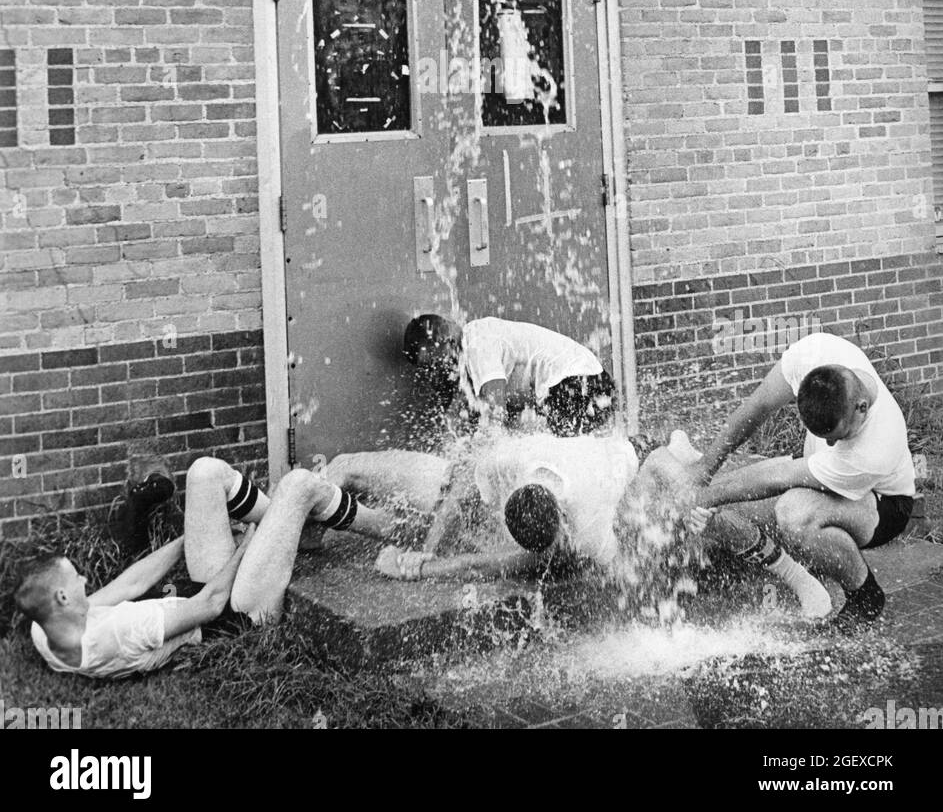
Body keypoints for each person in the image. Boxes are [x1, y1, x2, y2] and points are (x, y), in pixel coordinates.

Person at [366, 430, 833, 621]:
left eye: (553, 545)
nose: (551, 554)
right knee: (695, 498)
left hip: (638, 469)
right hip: (623, 460)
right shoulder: (508, 461)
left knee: (698, 512)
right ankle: (692, 457)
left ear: (562, 520)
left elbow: (633, 576)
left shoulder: (587, 521)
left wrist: (424, 569)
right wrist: (429, 547)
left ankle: (797, 570)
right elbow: (465, 475)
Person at [16, 456, 395, 678]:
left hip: (202, 593)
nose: (84, 578)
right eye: (75, 577)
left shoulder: (46, 627)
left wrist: (186, 539)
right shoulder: (122, 631)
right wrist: (246, 542)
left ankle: (302, 529)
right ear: (63, 596)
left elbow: (131, 584)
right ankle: (390, 527)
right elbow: (211, 604)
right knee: (298, 485)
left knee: (205, 471)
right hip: (237, 615)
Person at [688, 332, 916, 631]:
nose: (832, 445)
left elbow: (780, 478)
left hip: (884, 505)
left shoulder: (874, 448)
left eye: (838, 436)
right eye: (825, 438)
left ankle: (864, 594)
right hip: (822, 479)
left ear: (862, 407)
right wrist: (705, 470)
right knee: (729, 501)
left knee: (793, 513)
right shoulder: (814, 352)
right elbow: (754, 410)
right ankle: (768, 563)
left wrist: (705, 497)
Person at [402, 313, 616, 434]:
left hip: (578, 383)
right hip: (589, 385)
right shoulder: (474, 346)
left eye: (436, 362)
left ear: (447, 340)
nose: (440, 370)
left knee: (563, 456)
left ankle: (638, 448)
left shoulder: (476, 344)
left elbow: (495, 411)